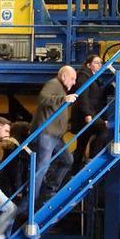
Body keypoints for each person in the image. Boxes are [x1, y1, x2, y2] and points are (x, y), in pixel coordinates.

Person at [31, 68, 77, 201]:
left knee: (68, 160)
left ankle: (49, 189)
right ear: (63, 76)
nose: (74, 83)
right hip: (47, 134)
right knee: (42, 166)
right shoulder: (53, 84)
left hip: (56, 136)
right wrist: (63, 99)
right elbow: (43, 99)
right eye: (72, 78)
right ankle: (33, 198)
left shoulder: (60, 87)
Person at [71, 55, 111, 172]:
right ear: (89, 65)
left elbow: (97, 99)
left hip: (90, 115)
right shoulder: (84, 77)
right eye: (96, 62)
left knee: (81, 146)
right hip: (85, 117)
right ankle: (92, 159)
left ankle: (75, 171)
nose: (100, 65)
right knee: (103, 129)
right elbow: (83, 97)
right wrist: (87, 114)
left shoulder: (93, 77)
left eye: (100, 63)